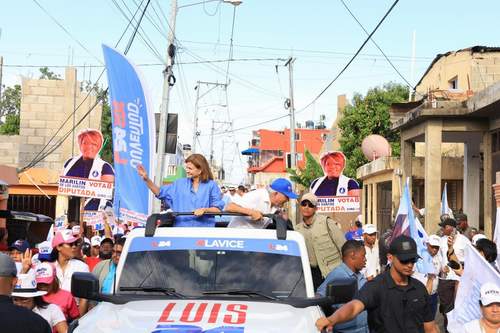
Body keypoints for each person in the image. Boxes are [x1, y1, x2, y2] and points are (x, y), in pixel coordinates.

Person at [316, 235, 439, 333]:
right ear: (390, 257)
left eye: (413, 260)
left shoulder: (419, 289)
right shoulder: (376, 286)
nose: (409, 264)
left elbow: (430, 327)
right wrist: (332, 320)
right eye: (404, 260)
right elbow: (354, 307)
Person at [137, 154, 225, 227]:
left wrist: (204, 210)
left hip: (204, 232)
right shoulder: (179, 183)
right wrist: (146, 179)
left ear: (200, 170)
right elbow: (159, 192)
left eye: (190, 168)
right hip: (181, 230)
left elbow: (217, 209)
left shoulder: (211, 185)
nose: (186, 171)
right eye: (186, 168)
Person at [295, 193, 345, 289]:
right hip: (312, 276)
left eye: (310, 205)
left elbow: (343, 246)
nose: (306, 207)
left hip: (333, 273)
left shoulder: (326, 222)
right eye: (304, 204)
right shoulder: (297, 230)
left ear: (315, 208)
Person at [317, 240, 369, 333]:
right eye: (363, 255)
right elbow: (319, 297)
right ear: (352, 255)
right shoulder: (337, 275)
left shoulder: (358, 274)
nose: (365, 259)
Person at [62, 129, 115, 211]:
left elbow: (106, 195)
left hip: (93, 214)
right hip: (68, 210)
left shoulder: (105, 168)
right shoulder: (69, 163)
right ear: (80, 145)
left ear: (99, 147)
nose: (89, 147)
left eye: (94, 144)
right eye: (85, 143)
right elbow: (61, 185)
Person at [0, 253, 51, 333]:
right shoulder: (36, 322)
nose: (19, 303)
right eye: (16, 299)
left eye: (24, 299)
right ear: (15, 282)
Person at [225, 178, 298, 229]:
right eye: (286, 196)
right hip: (237, 240)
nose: (288, 200)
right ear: (276, 193)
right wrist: (251, 212)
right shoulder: (259, 195)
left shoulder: (275, 207)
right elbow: (230, 207)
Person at [438, 217, 470, 328]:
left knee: (458, 306)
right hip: (445, 279)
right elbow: (439, 258)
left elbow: (469, 258)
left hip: (459, 278)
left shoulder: (464, 240)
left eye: (444, 226)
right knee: (446, 308)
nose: (442, 228)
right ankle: (448, 328)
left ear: (451, 228)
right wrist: (441, 269)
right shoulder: (441, 240)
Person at [51, 229, 89, 315]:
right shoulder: (50, 267)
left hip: (74, 316)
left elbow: (84, 298)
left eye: (75, 244)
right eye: (70, 244)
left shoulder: (82, 267)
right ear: (58, 247)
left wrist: (78, 321)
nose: (74, 247)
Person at [412, 235, 444, 320]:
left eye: (437, 247)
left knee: (430, 320)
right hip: (419, 296)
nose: (435, 249)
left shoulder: (439, 258)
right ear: (427, 245)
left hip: (433, 295)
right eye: (432, 247)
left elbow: (441, 273)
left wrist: (445, 270)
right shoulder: (418, 257)